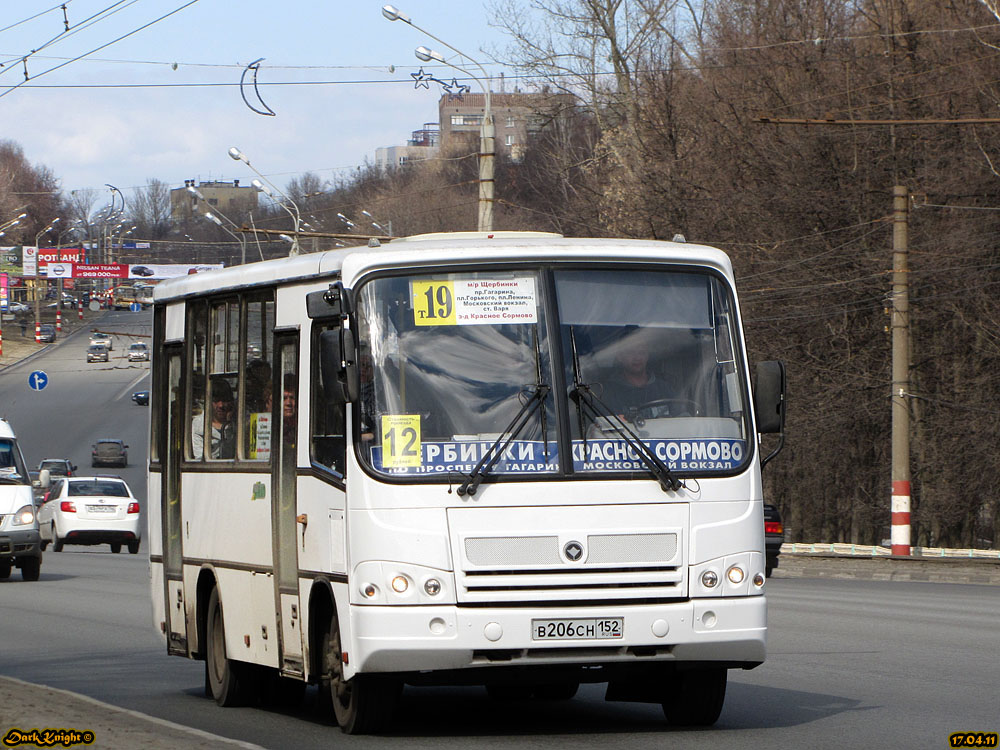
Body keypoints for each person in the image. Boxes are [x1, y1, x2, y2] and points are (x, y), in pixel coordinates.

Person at [600, 336, 673, 416]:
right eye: (631, 353)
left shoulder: (663, 388)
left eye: (641, 352)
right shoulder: (608, 392)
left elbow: (682, 417)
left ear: (647, 355)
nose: (637, 357)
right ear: (620, 357)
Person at [192, 378, 236, 459]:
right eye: (216, 401)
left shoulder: (238, 422)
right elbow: (200, 458)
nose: (221, 405)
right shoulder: (199, 425)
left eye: (224, 400)